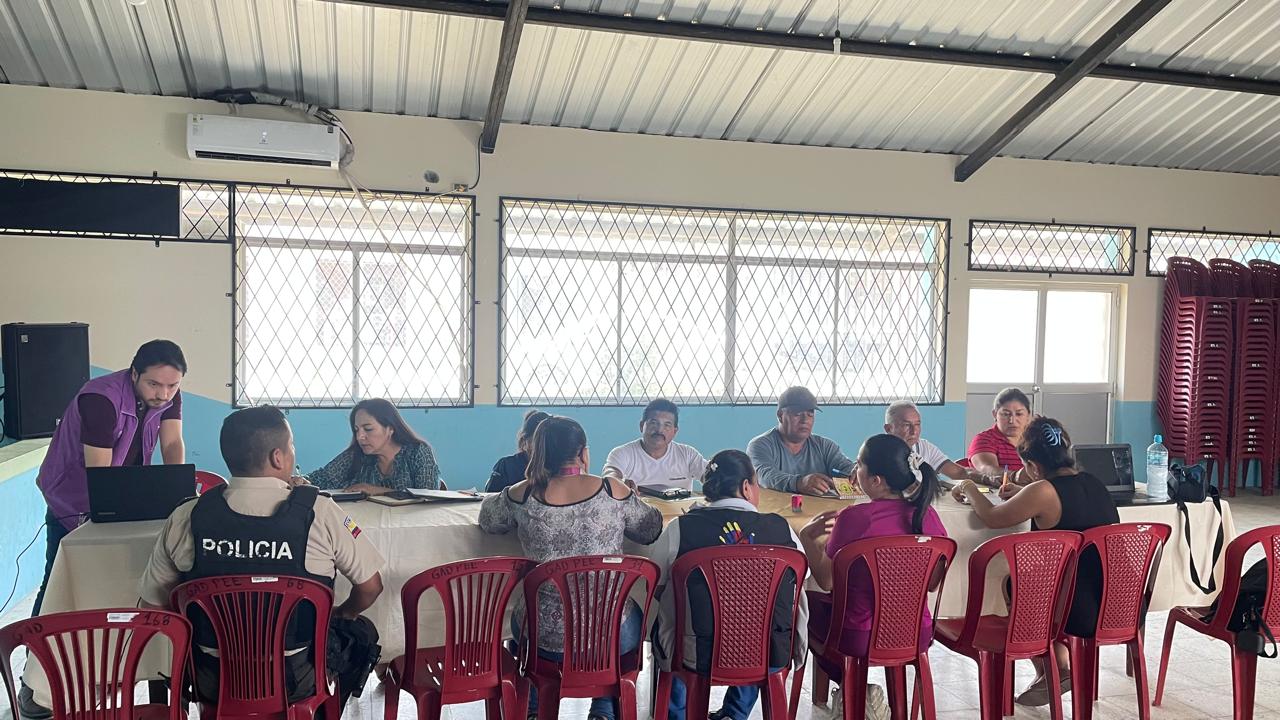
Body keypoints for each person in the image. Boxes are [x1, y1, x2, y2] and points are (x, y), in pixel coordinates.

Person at [137, 405, 385, 711]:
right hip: (296, 677)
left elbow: (152, 606)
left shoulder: (187, 515)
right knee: (361, 633)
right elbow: (371, 587)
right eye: (291, 447)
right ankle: (317, 713)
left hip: (212, 678)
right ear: (277, 457)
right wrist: (343, 613)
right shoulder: (320, 512)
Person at [478, 416, 663, 720]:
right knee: (627, 614)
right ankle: (604, 707)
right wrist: (634, 499)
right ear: (583, 452)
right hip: (612, 634)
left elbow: (488, 520)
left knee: (523, 630)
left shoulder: (521, 494)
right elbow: (651, 529)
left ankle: (535, 708)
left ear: (538, 452)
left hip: (541, 635)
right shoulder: (612, 490)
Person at [950, 417, 1119, 707]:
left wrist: (968, 487)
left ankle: (1054, 667)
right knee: (1033, 584)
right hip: (1112, 601)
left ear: (1033, 467)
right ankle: (1053, 669)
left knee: (1013, 584)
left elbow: (991, 517)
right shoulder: (1093, 482)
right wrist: (1023, 494)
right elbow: (1061, 503)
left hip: (1072, 609)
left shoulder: (1042, 491)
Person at [650, 449, 808, 720]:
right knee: (760, 622)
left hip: (697, 653)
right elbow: (800, 582)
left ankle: (679, 714)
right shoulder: (781, 529)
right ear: (746, 487)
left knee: (674, 620)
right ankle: (735, 714)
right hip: (769, 652)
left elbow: (658, 587)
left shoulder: (681, 528)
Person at [32, 339, 187, 615]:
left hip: (122, 493)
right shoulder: (100, 398)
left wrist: (179, 497)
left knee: (116, 581)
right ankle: (35, 639)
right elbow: (100, 473)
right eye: (154, 384)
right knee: (58, 583)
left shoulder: (169, 395)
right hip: (73, 496)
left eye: (172, 385)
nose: (164, 394)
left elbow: (173, 443)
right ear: (134, 373)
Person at [797, 434, 945, 719]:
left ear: (876, 480)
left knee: (807, 605)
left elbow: (826, 581)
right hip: (916, 633)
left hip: (859, 636)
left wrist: (807, 540)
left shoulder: (855, 517)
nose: (855, 471)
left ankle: (854, 688)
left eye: (859, 464)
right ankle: (858, 692)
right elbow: (933, 583)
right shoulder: (928, 516)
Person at [306, 398, 441, 494]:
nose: (360, 436)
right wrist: (302, 481)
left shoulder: (418, 452)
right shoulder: (357, 455)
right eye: (357, 430)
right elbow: (323, 478)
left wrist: (377, 491)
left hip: (411, 524)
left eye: (368, 429)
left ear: (390, 428)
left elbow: (428, 497)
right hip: (363, 524)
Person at [747, 386, 856, 496]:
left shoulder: (825, 447)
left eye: (810, 414)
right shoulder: (760, 445)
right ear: (780, 415)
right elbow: (764, 476)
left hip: (821, 507)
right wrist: (799, 483)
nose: (805, 420)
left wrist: (856, 473)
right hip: (775, 507)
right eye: (797, 414)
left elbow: (846, 468)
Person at [602, 398, 707, 491]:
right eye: (653, 422)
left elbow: (709, 477)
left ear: (675, 431)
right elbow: (610, 474)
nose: (659, 430)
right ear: (641, 426)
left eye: (667, 425)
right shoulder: (622, 453)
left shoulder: (687, 454)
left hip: (681, 508)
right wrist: (618, 483)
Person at [884, 400, 989, 484]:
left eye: (917, 424)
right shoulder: (878, 452)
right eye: (906, 425)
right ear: (888, 429)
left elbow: (959, 472)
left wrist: (989, 479)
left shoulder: (924, 447)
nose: (914, 431)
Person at [966, 387, 1033, 484]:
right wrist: (1015, 476)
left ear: (1028, 416)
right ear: (995, 414)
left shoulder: (1035, 440)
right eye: (1006, 414)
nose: (1012, 420)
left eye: (1019, 414)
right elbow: (986, 468)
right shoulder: (984, 439)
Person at [485, 409, 550, 492]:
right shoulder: (506, 466)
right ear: (525, 440)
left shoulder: (558, 467)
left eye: (547, 442)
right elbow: (491, 497)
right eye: (537, 442)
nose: (542, 447)